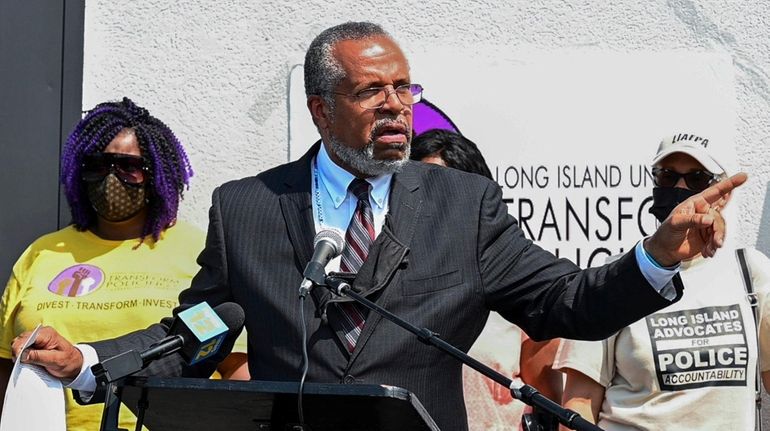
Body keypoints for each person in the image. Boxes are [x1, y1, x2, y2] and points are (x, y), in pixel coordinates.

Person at [11, 23, 745, 431]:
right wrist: (92, 362)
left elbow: (567, 300)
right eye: (372, 90)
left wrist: (654, 257)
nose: (397, 105)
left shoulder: (465, 204)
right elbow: (203, 326)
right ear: (322, 108)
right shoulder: (249, 207)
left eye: (404, 87)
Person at [0, 97, 244, 430]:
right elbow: (5, 372)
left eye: (129, 167)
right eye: (98, 166)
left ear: (157, 175)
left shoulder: (200, 252)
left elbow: (235, 368)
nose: (111, 178)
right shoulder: (40, 254)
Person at [554, 133, 770, 430]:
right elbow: (578, 405)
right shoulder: (616, 275)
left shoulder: (750, 272)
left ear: (723, 193)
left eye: (696, 179)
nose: (681, 189)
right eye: (667, 177)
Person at [411, 129, 562, 430]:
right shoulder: (384, 287)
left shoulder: (513, 285)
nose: (430, 206)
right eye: (419, 189)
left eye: (443, 192)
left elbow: (548, 401)